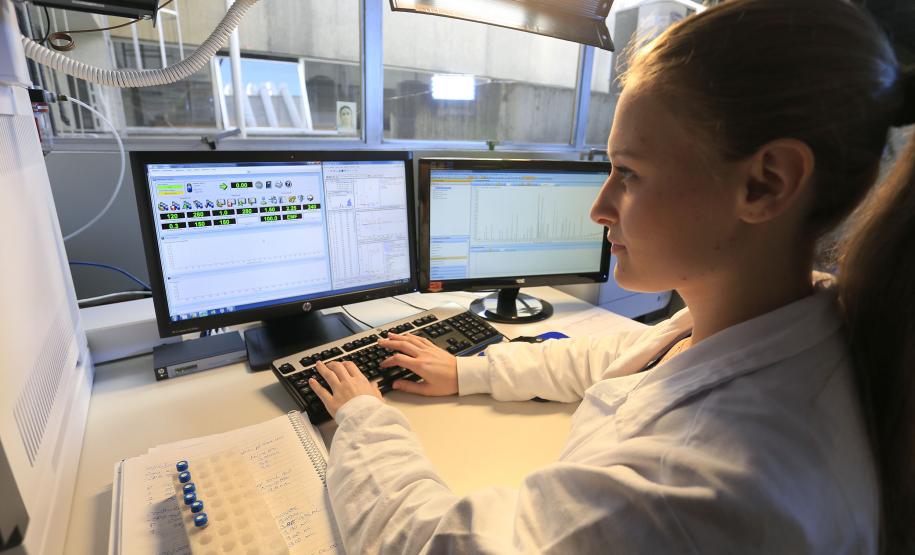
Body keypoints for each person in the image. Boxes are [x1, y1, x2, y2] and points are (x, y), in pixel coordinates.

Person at [308, 0, 915, 552]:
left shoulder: (696, 494)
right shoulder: (789, 316)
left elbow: (427, 543)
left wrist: (364, 420)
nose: (600, 208)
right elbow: (626, 355)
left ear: (766, 183)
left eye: (628, 172)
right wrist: (470, 370)